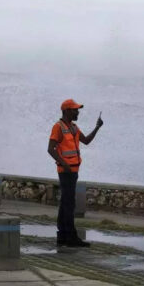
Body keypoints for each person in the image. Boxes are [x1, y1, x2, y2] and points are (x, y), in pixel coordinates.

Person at [47, 99, 103, 247]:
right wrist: (63, 163)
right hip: (66, 171)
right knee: (69, 204)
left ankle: (62, 237)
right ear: (66, 111)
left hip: (73, 171)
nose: (78, 112)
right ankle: (71, 237)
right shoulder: (58, 127)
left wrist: (97, 127)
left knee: (65, 203)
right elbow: (50, 149)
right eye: (75, 109)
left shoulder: (74, 128)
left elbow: (86, 141)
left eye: (77, 109)